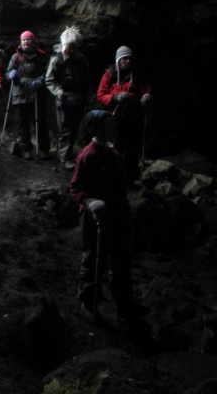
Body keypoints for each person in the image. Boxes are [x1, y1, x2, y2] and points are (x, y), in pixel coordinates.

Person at [70, 110, 144, 322]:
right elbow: (76, 188)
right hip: (96, 219)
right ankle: (88, 302)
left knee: (121, 261)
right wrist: (90, 202)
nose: (114, 127)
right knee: (94, 260)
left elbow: (119, 188)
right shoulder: (88, 155)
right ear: (95, 128)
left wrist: (126, 213)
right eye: (108, 124)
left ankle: (125, 305)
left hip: (117, 215)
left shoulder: (113, 153)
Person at [96, 46, 152, 184]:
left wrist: (146, 96)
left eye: (130, 59)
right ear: (118, 60)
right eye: (125, 58)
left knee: (133, 146)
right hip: (115, 116)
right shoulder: (109, 74)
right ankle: (114, 177)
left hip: (133, 115)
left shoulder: (137, 74)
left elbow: (145, 90)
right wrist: (115, 98)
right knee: (116, 146)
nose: (128, 61)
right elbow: (101, 95)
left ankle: (131, 176)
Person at [46, 25, 90, 171]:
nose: (70, 49)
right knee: (65, 129)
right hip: (64, 99)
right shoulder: (57, 60)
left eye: (73, 47)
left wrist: (85, 95)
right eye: (68, 46)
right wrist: (58, 92)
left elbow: (86, 78)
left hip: (78, 99)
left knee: (74, 128)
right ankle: (64, 158)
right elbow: (50, 80)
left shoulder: (81, 60)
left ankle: (68, 154)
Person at [5, 30, 50, 159]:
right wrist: (11, 74)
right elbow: (7, 73)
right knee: (22, 122)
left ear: (33, 41)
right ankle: (26, 148)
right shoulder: (16, 57)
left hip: (36, 93)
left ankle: (44, 149)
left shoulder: (41, 56)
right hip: (20, 93)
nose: (25, 42)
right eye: (23, 39)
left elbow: (47, 73)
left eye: (28, 39)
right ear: (21, 42)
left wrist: (40, 80)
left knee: (40, 121)